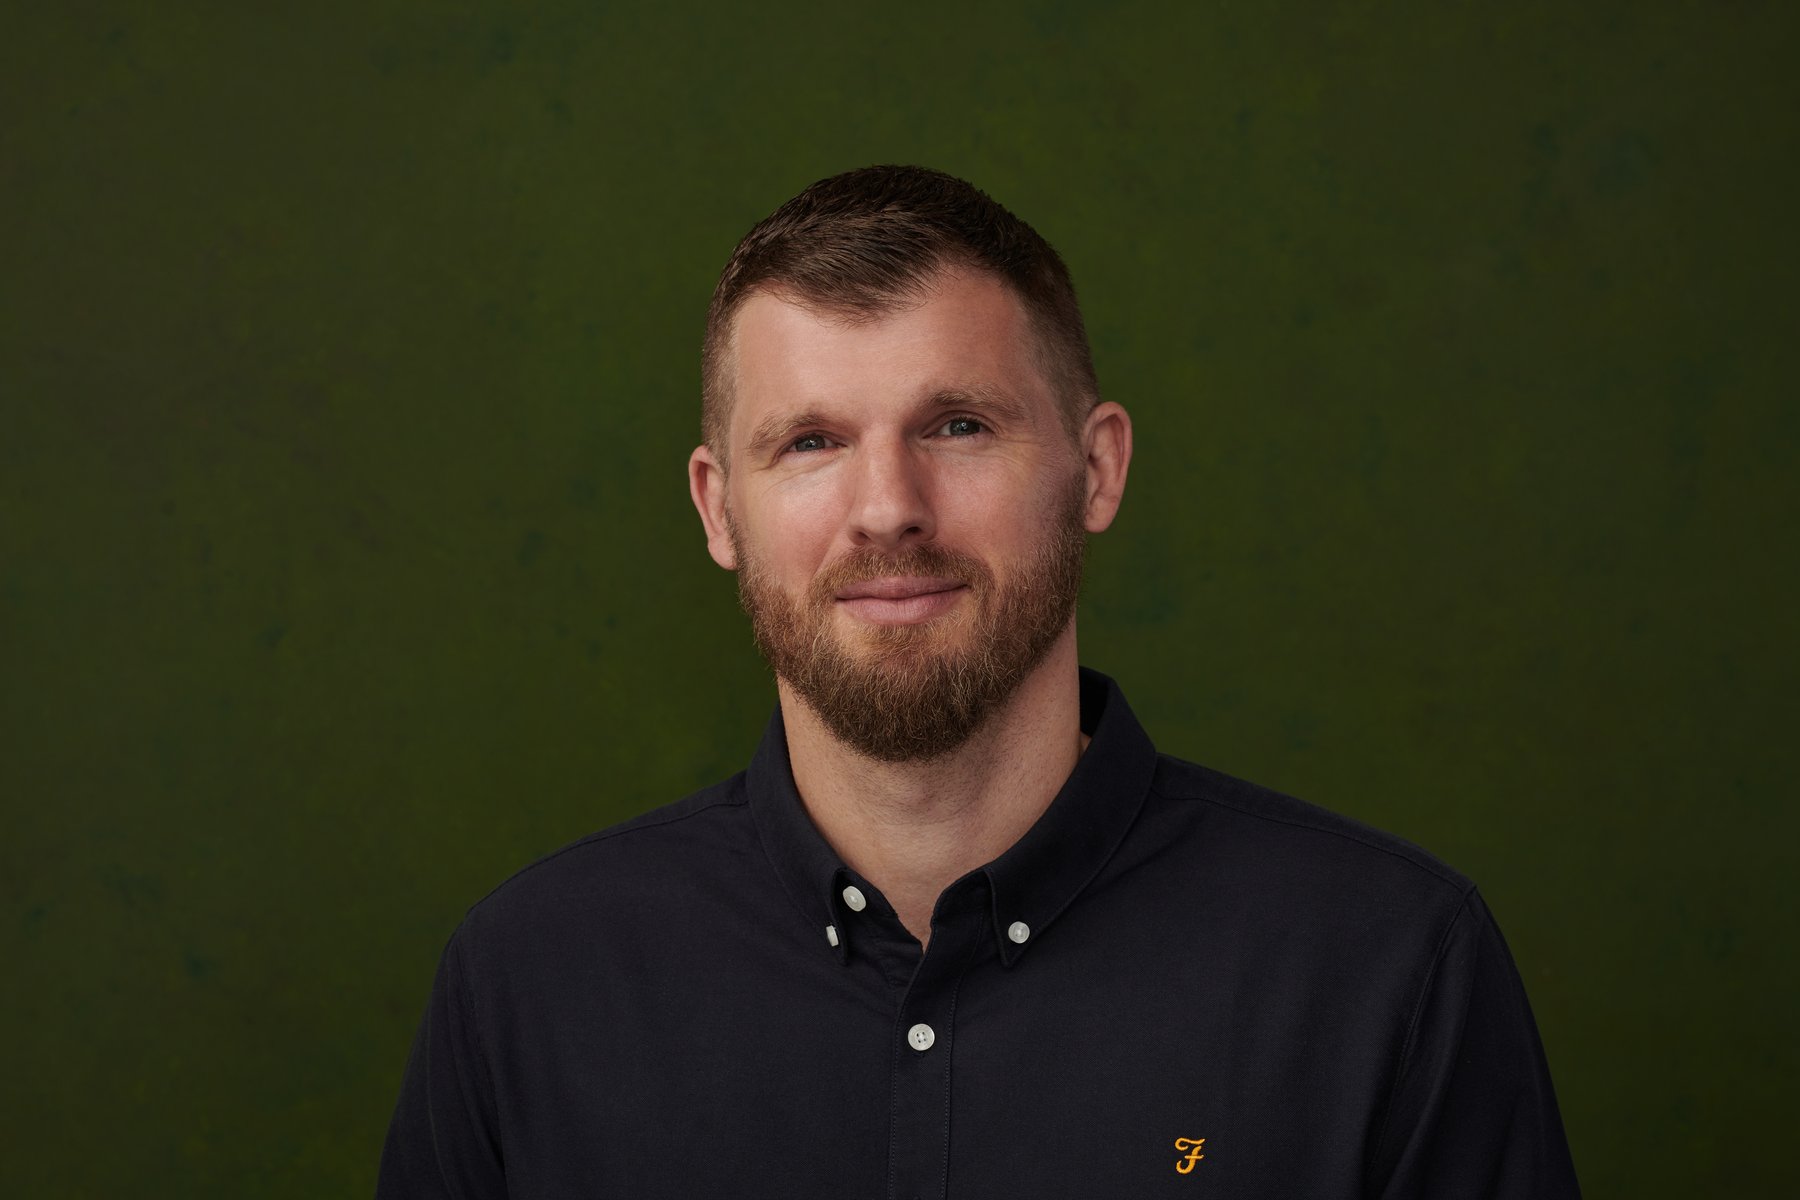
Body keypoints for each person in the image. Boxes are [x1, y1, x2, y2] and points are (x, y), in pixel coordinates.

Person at [377, 165, 1580, 1198]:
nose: (887, 508)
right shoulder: (529, 985)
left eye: (956, 425)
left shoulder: (1387, 973)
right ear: (719, 510)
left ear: (1096, 470)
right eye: (811, 442)